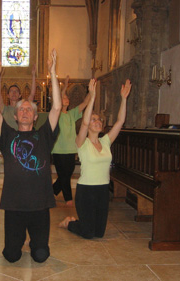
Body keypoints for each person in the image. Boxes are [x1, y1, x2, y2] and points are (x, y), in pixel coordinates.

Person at [0, 49, 61, 263]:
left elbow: (57, 107)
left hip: (40, 205)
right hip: (14, 205)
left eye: (29, 110)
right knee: (11, 256)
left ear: (36, 116)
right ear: (15, 115)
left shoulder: (44, 136)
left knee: (40, 256)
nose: (25, 111)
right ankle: (19, 240)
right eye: (21, 109)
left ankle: (36, 242)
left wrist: (53, 72)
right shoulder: (7, 136)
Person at [59, 78, 132, 239]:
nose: (97, 121)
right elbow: (84, 123)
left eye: (99, 119)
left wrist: (124, 99)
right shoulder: (81, 143)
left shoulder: (105, 141)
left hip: (102, 190)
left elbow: (120, 121)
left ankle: (78, 222)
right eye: (94, 119)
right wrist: (92, 97)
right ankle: (69, 223)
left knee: (99, 233)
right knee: (88, 233)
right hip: (86, 191)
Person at [52, 75, 90, 207]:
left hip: (71, 149)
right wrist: (64, 86)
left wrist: (92, 91)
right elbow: (58, 99)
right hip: (58, 150)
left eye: (67, 98)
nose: (66, 99)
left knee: (67, 174)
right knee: (64, 174)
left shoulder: (72, 114)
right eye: (64, 98)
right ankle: (68, 198)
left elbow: (84, 103)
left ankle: (51, 192)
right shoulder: (56, 114)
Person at [0, 64, 36, 129]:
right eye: (11, 91)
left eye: (16, 91)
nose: (14, 93)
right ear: (8, 95)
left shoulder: (22, 108)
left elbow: (32, 94)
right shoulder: (4, 109)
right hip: (8, 138)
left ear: (19, 95)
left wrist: (33, 75)